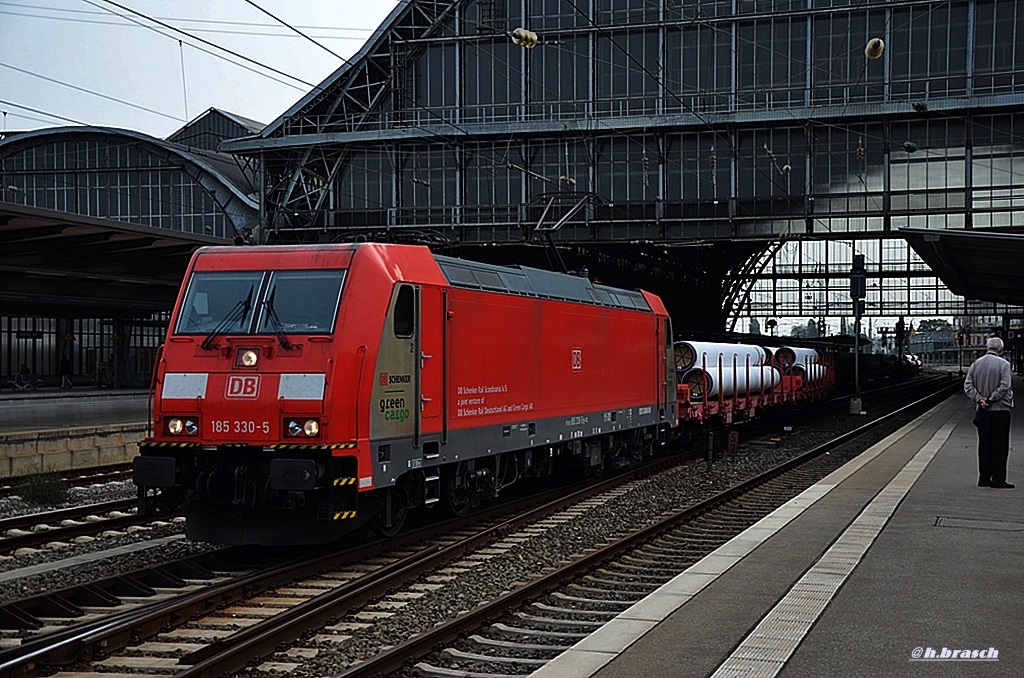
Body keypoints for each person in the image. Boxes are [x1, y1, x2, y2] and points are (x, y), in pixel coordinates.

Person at [964, 337, 1015, 488]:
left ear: (987, 348)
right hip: (1000, 410)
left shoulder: (976, 364)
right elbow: (1005, 386)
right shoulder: (1004, 364)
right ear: (1000, 349)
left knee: (984, 445)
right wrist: (991, 400)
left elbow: (968, 386)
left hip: (982, 411)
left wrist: (980, 399)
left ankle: (984, 478)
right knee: (1000, 445)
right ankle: (998, 479)